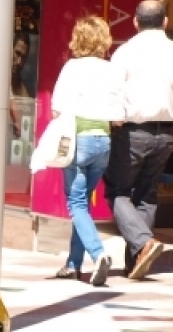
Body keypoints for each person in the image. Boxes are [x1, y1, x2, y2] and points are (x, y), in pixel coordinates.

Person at [107, 0, 173, 280]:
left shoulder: (124, 53)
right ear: (165, 22)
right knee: (147, 194)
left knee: (117, 191)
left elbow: (113, 95)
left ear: (135, 21)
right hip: (165, 132)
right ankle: (137, 261)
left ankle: (144, 243)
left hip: (131, 132)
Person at [46, 16, 124, 286]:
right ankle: (72, 264)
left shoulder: (71, 68)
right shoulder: (111, 69)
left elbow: (56, 109)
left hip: (78, 142)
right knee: (82, 206)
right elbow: (119, 115)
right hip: (103, 142)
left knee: (76, 204)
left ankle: (99, 253)